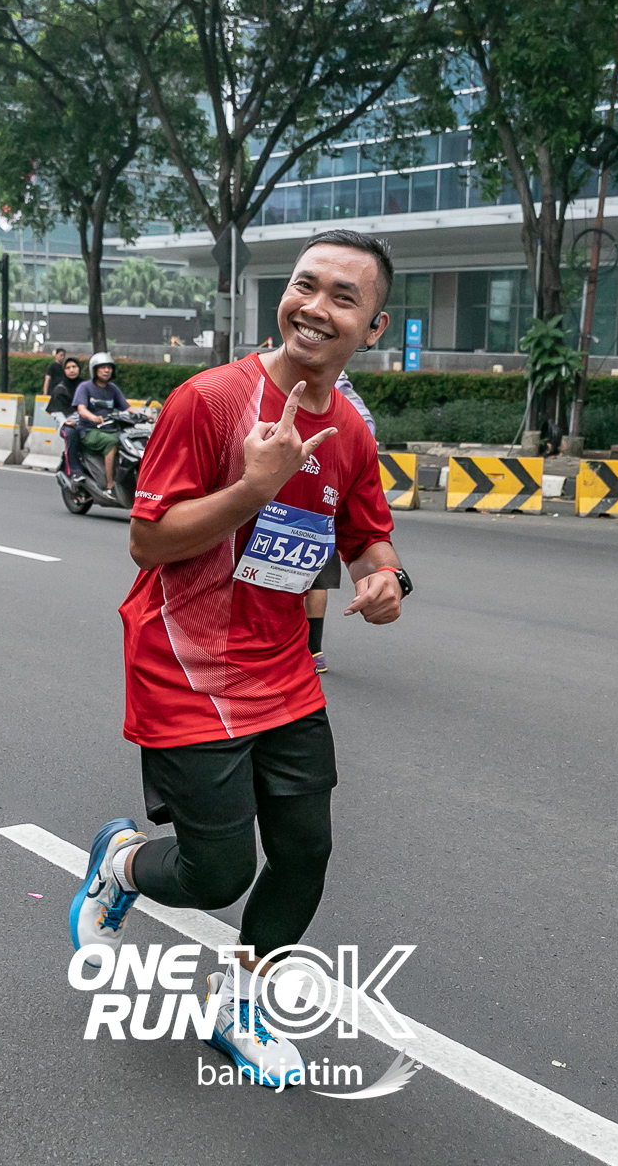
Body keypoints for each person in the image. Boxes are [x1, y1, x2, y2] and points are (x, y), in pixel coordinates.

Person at [68, 229, 412, 1088]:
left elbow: (368, 537)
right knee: (217, 874)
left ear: (374, 328)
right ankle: (120, 864)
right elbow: (149, 542)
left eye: (343, 297)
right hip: (186, 666)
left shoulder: (351, 432)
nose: (315, 307)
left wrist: (385, 580)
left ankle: (240, 1004)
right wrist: (255, 486)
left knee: (304, 852)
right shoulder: (211, 402)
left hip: (284, 670)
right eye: (305, 285)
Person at [304, 372, 378, 672]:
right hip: (328, 498)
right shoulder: (354, 405)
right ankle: (314, 650)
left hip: (297, 494)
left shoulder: (303, 390)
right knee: (316, 577)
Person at [71, 352, 129, 484]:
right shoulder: (85, 387)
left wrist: (145, 416)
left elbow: (126, 407)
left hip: (110, 429)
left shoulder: (113, 389)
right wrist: (93, 418)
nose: (106, 370)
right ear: (94, 369)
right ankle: (110, 485)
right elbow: (81, 409)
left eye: (109, 367)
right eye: (102, 367)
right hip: (89, 431)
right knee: (112, 442)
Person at [46, 355, 82, 419]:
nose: (71, 370)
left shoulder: (85, 386)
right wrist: (64, 421)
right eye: (68, 368)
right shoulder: (60, 389)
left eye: (74, 367)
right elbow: (55, 410)